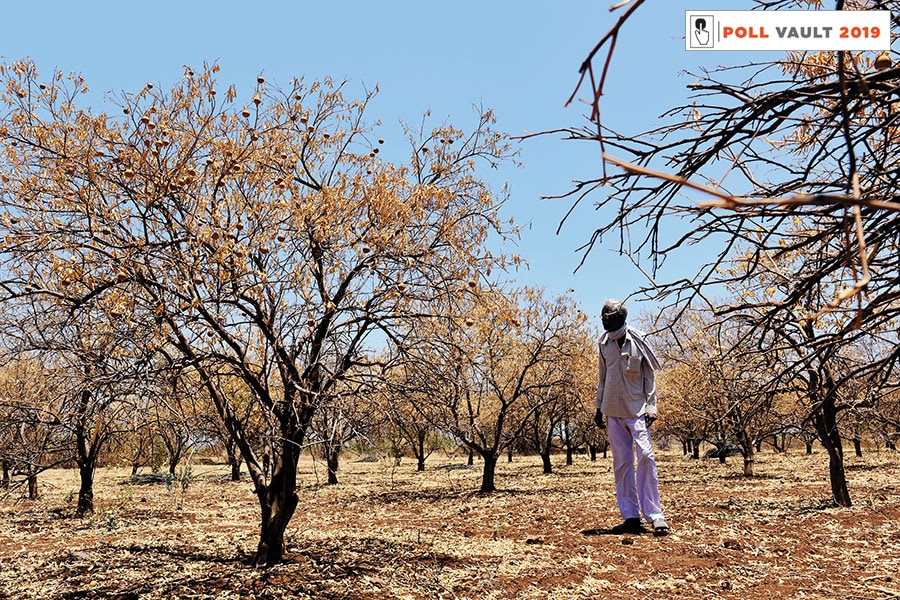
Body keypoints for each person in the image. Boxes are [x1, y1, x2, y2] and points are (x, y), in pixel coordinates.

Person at [594, 299, 669, 536]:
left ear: (620, 317)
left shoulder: (639, 340)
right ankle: (631, 517)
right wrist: (599, 407)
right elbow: (602, 378)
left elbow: (650, 377)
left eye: (610, 317)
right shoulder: (603, 343)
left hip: (637, 410)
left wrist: (651, 406)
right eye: (604, 317)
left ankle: (655, 515)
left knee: (646, 456)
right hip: (613, 411)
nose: (606, 321)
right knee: (622, 463)